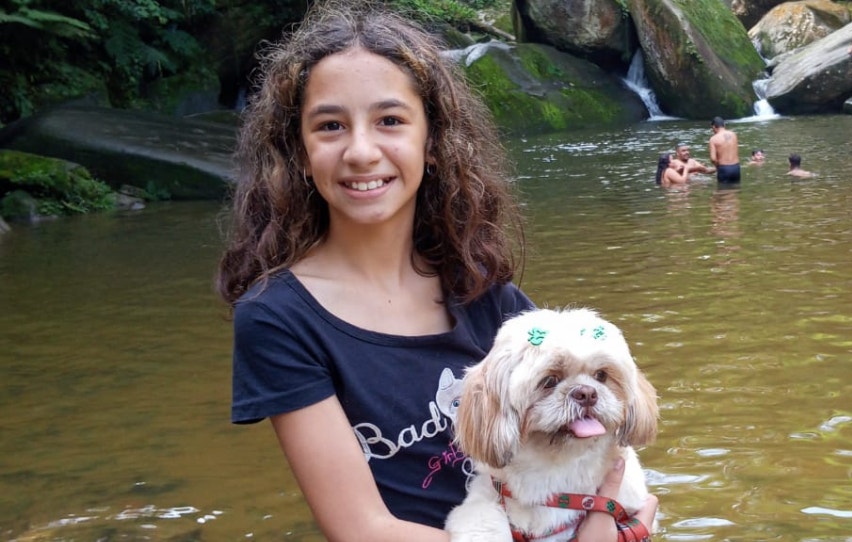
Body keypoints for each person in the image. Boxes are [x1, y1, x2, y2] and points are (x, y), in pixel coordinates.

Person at [214, 2, 658, 541]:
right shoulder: (280, 319)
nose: (360, 151)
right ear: (300, 152)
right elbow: (360, 529)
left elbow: (604, 463)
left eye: (390, 121)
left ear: (432, 142)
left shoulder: (488, 295)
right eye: (330, 125)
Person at [709, 116, 741, 184]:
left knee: (723, 192)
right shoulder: (734, 134)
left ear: (714, 127)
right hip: (736, 167)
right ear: (724, 125)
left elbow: (713, 159)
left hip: (724, 168)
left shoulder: (713, 139)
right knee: (736, 189)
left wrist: (717, 166)